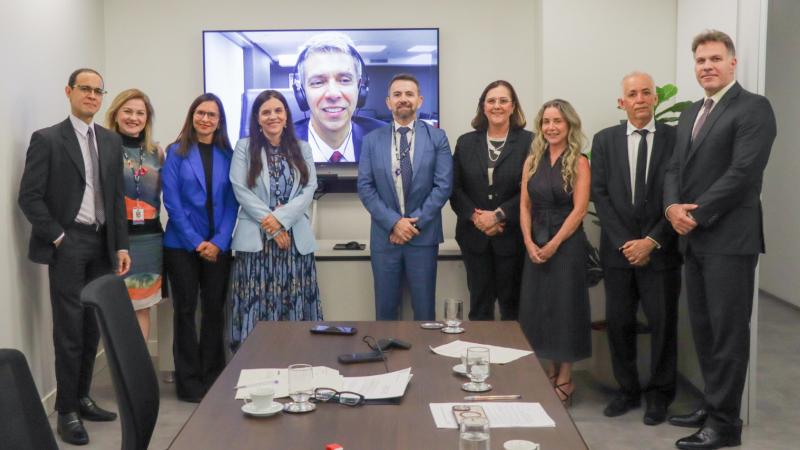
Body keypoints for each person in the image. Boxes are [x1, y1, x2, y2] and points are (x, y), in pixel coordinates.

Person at [664, 30, 776, 450]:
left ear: (732, 63)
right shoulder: (692, 111)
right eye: (700, 60)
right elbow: (674, 168)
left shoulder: (754, 108)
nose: (706, 66)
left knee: (728, 333)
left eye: (714, 58)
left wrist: (694, 213)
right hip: (694, 239)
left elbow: (743, 173)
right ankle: (712, 405)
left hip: (729, 240)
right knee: (706, 331)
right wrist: (672, 207)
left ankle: (725, 425)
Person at [18, 68, 130, 445]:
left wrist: (121, 244)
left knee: (92, 326)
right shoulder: (48, 139)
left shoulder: (111, 141)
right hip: (69, 243)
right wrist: (59, 236)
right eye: (85, 89)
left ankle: (82, 397)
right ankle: (65, 409)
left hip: (102, 242)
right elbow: (29, 197)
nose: (93, 96)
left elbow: (115, 198)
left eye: (99, 91)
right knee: (68, 329)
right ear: (69, 91)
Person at [591, 72, 682, 425]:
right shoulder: (604, 141)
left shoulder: (676, 140)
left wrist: (652, 241)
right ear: (622, 102)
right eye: (633, 93)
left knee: (663, 326)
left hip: (660, 251)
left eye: (646, 93)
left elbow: (680, 192)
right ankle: (627, 390)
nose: (640, 99)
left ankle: (659, 396)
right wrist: (625, 243)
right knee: (619, 324)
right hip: (618, 253)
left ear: (656, 99)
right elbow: (600, 194)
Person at [229, 90, 322, 351]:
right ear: (257, 119)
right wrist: (272, 225)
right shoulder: (244, 148)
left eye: (278, 111)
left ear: (286, 116)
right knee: (256, 307)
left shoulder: (302, 148)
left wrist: (281, 221)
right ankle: (253, 365)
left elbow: (309, 187)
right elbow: (240, 188)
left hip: (294, 245)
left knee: (295, 305)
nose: (273, 116)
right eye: (266, 112)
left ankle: (296, 361)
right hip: (257, 246)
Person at [162, 93, 238, 403]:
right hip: (181, 246)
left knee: (214, 313)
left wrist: (218, 242)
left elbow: (234, 203)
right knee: (184, 312)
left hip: (218, 248)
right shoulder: (176, 152)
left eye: (212, 115)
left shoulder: (229, 155)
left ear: (220, 121)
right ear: (192, 116)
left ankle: (213, 378)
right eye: (200, 113)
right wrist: (197, 242)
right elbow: (172, 202)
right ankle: (188, 383)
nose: (205, 119)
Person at [357, 73, 453, 320]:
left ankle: (424, 360)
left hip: (423, 237)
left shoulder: (438, 138)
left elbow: (443, 186)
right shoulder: (371, 141)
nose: (403, 99)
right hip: (385, 238)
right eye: (397, 95)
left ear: (419, 100)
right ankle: (387, 360)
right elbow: (366, 187)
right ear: (388, 102)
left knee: (424, 313)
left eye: (409, 94)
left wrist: (413, 224)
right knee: (386, 312)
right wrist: (394, 223)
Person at [518, 99, 591, 405]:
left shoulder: (580, 161)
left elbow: (579, 210)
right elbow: (524, 204)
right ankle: (550, 370)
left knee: (565, 309)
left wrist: (554, 244)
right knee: (540, 309)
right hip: (535, 243)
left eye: (557, 121)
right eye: (546, 121)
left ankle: (566, 378)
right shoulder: (532, 159)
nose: (551, 127)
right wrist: (529, 242)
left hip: (567, 244)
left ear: (569, 125)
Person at [450, 80, 532, 321]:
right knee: (479, 306)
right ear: (483, 107)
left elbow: (532, 190)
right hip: (474, 239)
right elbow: (454, 189)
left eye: (503, 100)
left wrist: (498, 215)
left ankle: (510, 359)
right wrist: (477, 217)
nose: (497, 106)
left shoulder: (530, 142)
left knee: (511, 307)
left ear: (513, 106)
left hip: (512, 236)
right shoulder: (465, 143)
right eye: (491, 100)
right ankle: (479, 357)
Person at [105, 89, 165, 341]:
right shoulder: (104, 148)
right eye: (127, 111)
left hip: (150, 240)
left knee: (143, 306)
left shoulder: (156, 152)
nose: (134, 117)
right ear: (116, 114)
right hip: (118, 240)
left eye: (140, 113)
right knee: (117, 308)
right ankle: (123, 373)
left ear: (147, 118)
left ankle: (137, 373)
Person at [292, 31, 385, 163]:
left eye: (345, 80)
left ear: (359, 87)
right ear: (302, 91)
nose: (333, 94)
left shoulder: (388, 140)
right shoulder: (274, 145)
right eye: (318, 82)